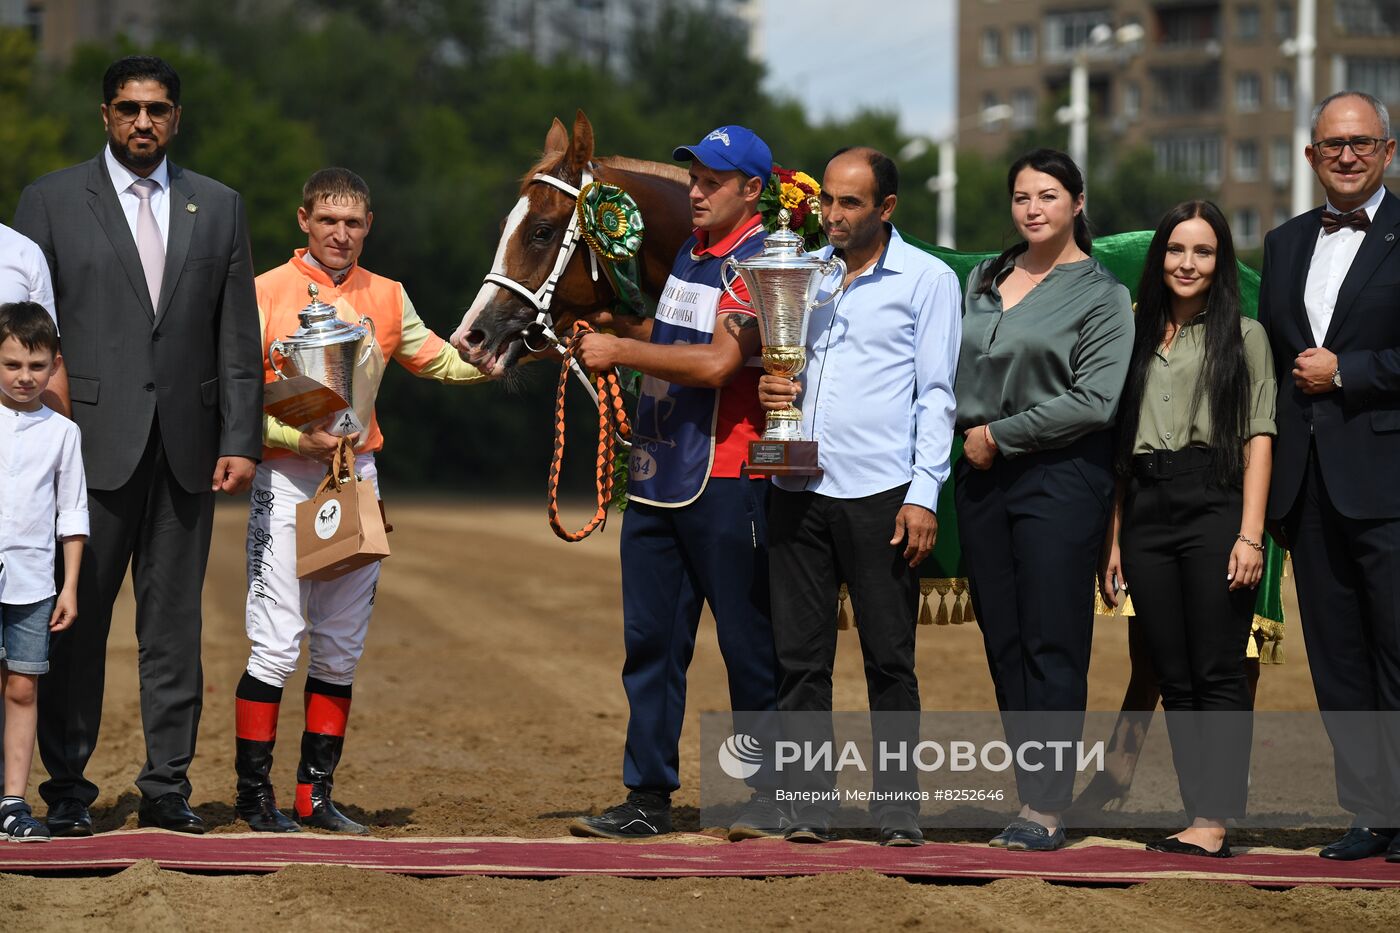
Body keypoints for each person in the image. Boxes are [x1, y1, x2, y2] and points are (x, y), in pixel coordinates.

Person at [12, 55, 263, 836]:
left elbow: (237, 335)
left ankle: (166, 787)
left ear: (177, 118)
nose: (142, 122)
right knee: (74, 625)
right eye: (128, 109)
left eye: (157, 109)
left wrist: (241, 436)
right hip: (82, 447)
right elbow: (19, 336)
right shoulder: (50, 202)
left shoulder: (217, 207)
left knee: (173, 628)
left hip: (188, 450)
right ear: (105, 115)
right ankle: (67, 790)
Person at [235, 168, 488, 834]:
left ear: (367, 226)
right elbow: (235, 404)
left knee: (340, 647)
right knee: (276, 642)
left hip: (358, 476)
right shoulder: (263, 293)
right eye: (328, 221)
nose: (340, 233)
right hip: (288, 477)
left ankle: (314, 795)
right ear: (303, 220)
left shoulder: (388, 294)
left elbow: (437, 359)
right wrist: (297, 435)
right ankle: (252, 796)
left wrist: (498, 357)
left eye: (352, 223)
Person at [568, 125, 783, 841]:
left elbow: (722, 363)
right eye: (694, 176)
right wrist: (616, 326)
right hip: (660, 475)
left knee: (748, 645)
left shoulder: (762, 261)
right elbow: (676, 341)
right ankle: (646, 795)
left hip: (729, 477)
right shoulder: (693, 254)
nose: (696, 190)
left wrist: (620, 349)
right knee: (651, 644)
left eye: (714, 180)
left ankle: (767, 793)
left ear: (752, 190)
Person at [757, 147, 962, 846]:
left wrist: (924, 492)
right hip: (796, 488)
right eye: (828, 202)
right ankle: (808, 802)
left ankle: (898, 806)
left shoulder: (927, 279)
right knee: (800, 659)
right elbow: (781, 362)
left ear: (887, 208)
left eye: (850, 203)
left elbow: (937, 396)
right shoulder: (800, 273)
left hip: (882, 493)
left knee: (889, 658)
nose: (834, 215)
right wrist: (771, 389)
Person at [953, 148, 1133, 851]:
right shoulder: (984, 276)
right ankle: (1032, 793)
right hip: (980, 476)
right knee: (1004, 640)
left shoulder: (1102, 294)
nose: (1034, 208)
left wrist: (1002, 432)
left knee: (1052, 640)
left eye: (1049, 195)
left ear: (1078, 203)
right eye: (1023, 196)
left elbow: (1095, 400)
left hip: (1060, 476)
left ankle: (1048, 809)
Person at [1099, 201, 1276, 858]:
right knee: (1172, 672)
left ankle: (1214, 819)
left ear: (1220, 261)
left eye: (1203, 251)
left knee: (1217, 667)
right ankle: (1196, 813)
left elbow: (1260, 439)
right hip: (1145, 507)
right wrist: (1115, 534)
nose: (1188, 263)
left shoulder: (1246, 337)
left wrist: (1250, 534)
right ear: (1161, 257)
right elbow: (1120, 446)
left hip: (1215, 503)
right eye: (1177, 249)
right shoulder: (1135, 336)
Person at [1258, 90, 1400, 862]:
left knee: (1396, 648)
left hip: (1388, 480)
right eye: (1332, 144)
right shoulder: (1281, 244)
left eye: (1362, 143)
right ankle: (1369, 813)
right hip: (1307, 485)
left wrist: (1352, 371)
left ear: (1387, 150)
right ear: (1310, 156)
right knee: (1338, 658)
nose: (1347, 155)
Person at [0, 303, 87, 841]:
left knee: (23, 689)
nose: (25, 377)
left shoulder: (62, 433)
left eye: (36, 366)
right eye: (11, 365)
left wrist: (70, 586)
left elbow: (72, 511)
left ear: (54, 365)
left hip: (34, 582)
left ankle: (12, 802)